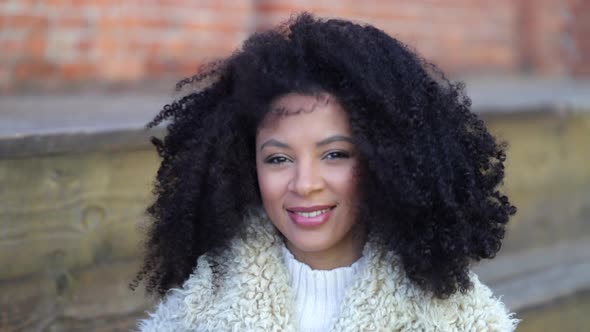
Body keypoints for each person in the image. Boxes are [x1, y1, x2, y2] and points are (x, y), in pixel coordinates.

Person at [135, 13, 519, 331]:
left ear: (387, 162)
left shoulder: (461, 320)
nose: (305, 184)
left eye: (335, 154)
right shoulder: (195, 312)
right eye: (278, 159)